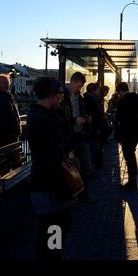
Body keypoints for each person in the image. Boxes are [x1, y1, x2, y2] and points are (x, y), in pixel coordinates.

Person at [27, 77, 73, 260]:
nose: (62, 97)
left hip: (51, 183)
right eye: (60, 94)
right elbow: (53, 152)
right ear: (51, 95)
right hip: (47, 185)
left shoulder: (48, 115)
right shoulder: (40, 120)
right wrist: (71, 140)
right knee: (52, 230)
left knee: (57, 228)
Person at [59, 72, 93, 179]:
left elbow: (80, 111)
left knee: (86, 161)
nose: (79, 89)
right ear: (72, 82)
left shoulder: (79, 96)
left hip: (80, 132)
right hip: (69, 135)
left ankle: (83, 185)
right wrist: (75, 120)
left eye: (81, 87)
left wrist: (86, 117)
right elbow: (61, 117)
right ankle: (78, 188)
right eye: (78, 86)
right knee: (74, 164)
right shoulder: (62, 95)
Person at [115, 82, 138, 189]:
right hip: (135, 132)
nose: (119, 94)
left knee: (128, 156)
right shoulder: (137, 98)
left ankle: (132, 182)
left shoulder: (123, 101)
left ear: (121, 90)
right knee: (132, 154)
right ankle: (133, 178)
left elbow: (119, 117)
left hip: (126, 133)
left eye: (119, 92)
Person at [0, 74, 22, 148]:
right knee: (7, 158)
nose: (7, 84)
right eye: (4, 83)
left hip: (13, 137)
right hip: (5, 139)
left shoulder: (9, 96)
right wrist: (12, 131)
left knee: (15, 158)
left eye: (8, 82)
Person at [84, 83, 103, 170]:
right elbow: (96, 114)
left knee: (94, 145)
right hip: (93, 126)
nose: (99, 91)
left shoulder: (89, 98)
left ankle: (96, 163)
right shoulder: (93, 99)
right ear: (94, 90)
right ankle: (95, 163)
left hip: (94, 126)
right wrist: (98, 127)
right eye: (98, 89)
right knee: (94, 145)